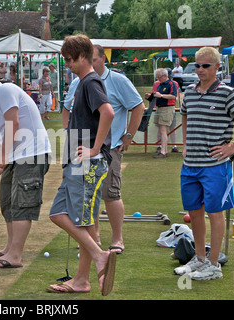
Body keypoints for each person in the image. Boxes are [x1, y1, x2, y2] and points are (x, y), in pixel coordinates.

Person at [47, 34, 116, 296]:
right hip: (77, 162)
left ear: (82, 57)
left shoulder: (89, 82)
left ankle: (93, 264)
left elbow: (108, 113)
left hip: (88, 163)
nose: (67, 64)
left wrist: (95, 148)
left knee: (84, 221)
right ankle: (85, 276)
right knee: (61, 214)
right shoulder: (83, 83)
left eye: (69, 59)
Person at [0, 70, 51, 269]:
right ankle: (9, 248)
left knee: (22, 204)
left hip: (32, 154)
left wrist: (3, 158)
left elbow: (13, 123)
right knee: (7, 202)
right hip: (14, 157)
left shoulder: (5, 90)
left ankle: (15, 256)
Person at [175, 47, 234, 281]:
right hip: (190, 164)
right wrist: (186, 143)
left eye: (205, 66)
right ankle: (199, 259)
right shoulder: (189, 92)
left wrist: (231, 148)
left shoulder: (228, 93)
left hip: (216, 165)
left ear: (217, 67)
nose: (199, 69)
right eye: (197, 65)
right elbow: (185, 115)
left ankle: (214, 264)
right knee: (195, 212)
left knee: (215, 212)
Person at [92, 45, 145, 254]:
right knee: (89, 194)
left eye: (93, 59)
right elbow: (68, 107)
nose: (89, 63)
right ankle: (92, 237)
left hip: (110, 148)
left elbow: (138, 106)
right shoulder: (80, 81)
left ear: (103, 59)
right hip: (86, 148)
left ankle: (117, 239)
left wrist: (129, 136)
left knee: (110, 193)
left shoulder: (118, 80)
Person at [145, 68, 177, 158]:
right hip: (159, 108)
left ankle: (163, 151)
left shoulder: (171, 84)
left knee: (163, 130)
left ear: (165, 76)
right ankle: (164, 150)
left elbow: (173, 96)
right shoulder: (160, 85)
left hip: (167, 108)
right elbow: (156, 96)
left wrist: (161, 95)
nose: (158, 79)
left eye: (159, 77)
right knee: (161, 130)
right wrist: (149, 96)